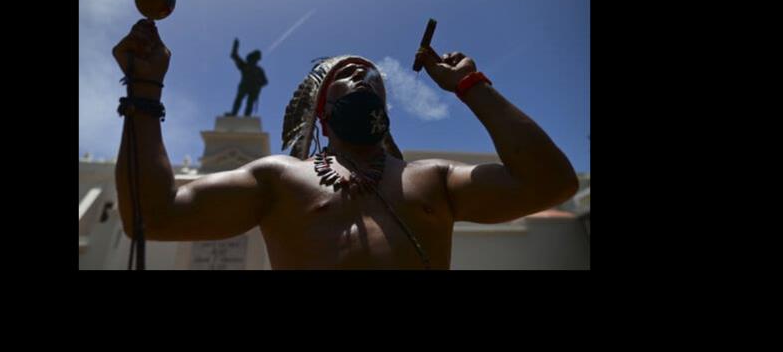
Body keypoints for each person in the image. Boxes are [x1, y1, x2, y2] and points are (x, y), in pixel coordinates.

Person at [112, 19, 578, 269]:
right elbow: (151, 216)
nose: (362, 74)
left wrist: (470, 84)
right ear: (321, 107)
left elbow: (551, 183)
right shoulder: (277, 178)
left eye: (371, 74)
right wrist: (144, 91)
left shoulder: (433, 178)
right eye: (346, 73)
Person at [226, 38, 267, 117]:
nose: (253, 60)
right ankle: (233, 113)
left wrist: (258, 84)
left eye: (255, 59)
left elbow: (265, 81)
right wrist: (235, 47)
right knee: (239, 99)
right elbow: (234, 56)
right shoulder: (245, 65)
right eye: (252, 58)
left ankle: (247, 117)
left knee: (249, 103)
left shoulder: (259, 70)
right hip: (244, 85)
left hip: (253, 88)